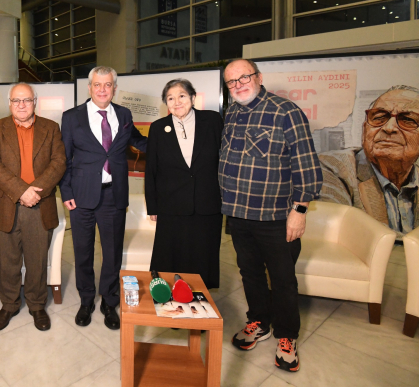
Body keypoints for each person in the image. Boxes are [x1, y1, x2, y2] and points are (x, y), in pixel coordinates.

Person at [220, 59, 322, 373]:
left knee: (282, 279)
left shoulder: (286, 112)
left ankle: (287, 336)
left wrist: (299, 211)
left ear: (259, 77)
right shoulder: (232, 112)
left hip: (276, 217)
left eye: (244, 78)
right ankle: (259, 322)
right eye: (231, 82)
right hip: (238, 213)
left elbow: (307, 166)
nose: (238, 85)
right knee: (249, 272)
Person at [60, 66, 147, 330]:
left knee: (112, 253)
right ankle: (86, 300)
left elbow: (137, 141)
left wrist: (169, 141)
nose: (102, 89)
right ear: (89, 87)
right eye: (97, 85)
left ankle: (109, 302)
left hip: (113, 195)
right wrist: (66, 191)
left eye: (107, 85)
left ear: (114, 88)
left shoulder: (124, 114)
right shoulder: (71, 117)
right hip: (81, 197)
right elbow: (64, 158)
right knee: (83, 252)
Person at [0, 83, 66, 332]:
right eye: (16, 100)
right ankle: (9, 304)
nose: (21, 105)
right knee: (8, 261)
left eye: (27, 100)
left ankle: (37, 304)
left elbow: (59, 162)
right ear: (9, 103)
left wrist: (34, 192)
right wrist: (22, 191)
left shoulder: (51, 128)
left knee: (37, 260)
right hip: (6, 204)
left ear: (35, 102)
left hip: (40, 205)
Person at [145, 79, 224, 288]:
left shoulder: (212, 121)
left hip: (207, 203)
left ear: (193, 97)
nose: (177, 102)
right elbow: (151, 170)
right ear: (166, 103)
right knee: (171, 256)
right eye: (170, 98)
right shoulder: (158, 128)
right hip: (171, 205)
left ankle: (200, 298)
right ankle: (171, 298)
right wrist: (152, 206)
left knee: (203, 255)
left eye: (181, 96)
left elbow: (225, 160)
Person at [319, 85, 419, 238]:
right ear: (365, 129)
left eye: (408, 120)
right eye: (379, 118)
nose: (389, 128)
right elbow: (341, 232)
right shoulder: (332, 167)